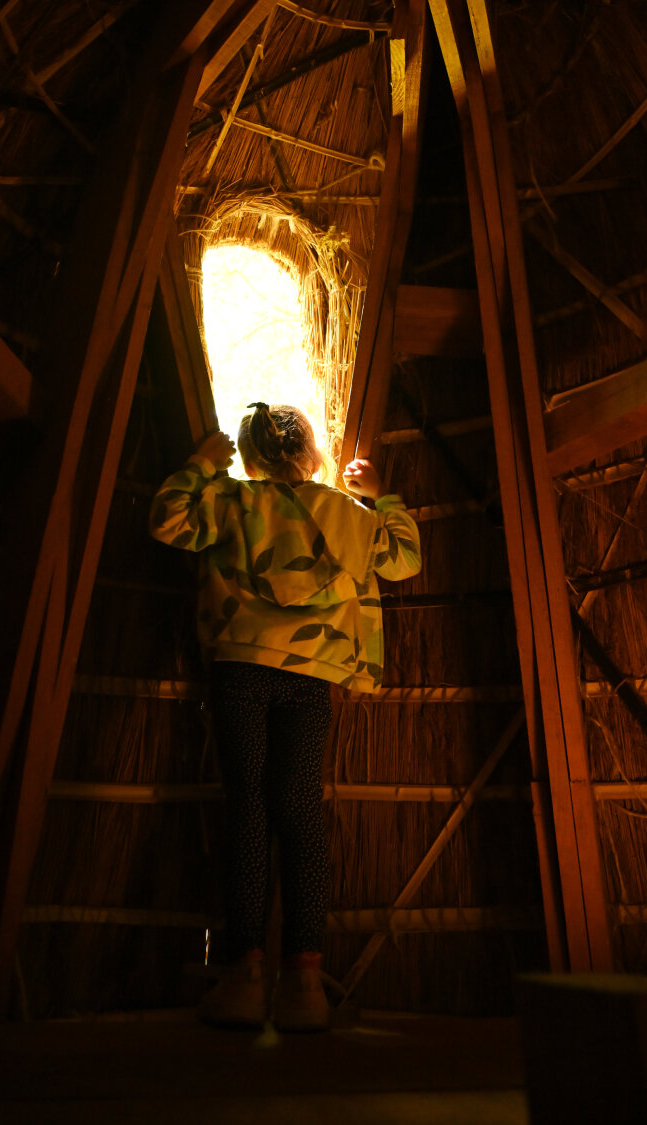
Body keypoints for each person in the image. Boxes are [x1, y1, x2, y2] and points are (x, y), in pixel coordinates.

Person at [149, 403, 420, 1030]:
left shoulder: (231, 501)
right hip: (311, 678)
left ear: (247, 456)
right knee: (299, 811)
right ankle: (304, 985)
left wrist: (198, 465)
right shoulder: (344, 514)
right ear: (312, 456)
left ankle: (243, 976)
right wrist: (382, 497)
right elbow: (405, 558)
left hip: (240, 666)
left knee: (246, 807)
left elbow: (167, 521)